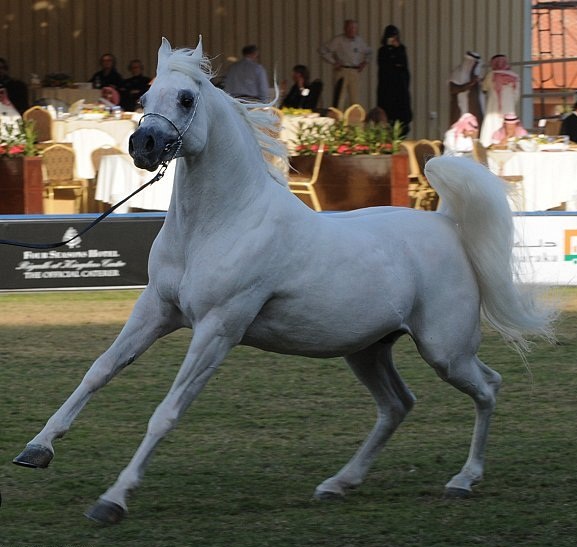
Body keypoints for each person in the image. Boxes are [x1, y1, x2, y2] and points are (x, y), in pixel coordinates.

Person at [319, 19, 372, 111]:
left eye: (354, 28)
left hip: (355, 71)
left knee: (355, 101)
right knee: (339, 99)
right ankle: (337, 122)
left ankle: (354, 123)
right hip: (342, 71)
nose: (352, 30)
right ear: (345, 28)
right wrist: (334, 61)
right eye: (350, 27)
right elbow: (323, 50)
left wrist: (364, 63)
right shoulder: (338, 40)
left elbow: (369, 52)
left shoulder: (359, 41)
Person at [376, 25, 412, 136]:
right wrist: (389, 49)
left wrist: (397, 49)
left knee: (402, 115)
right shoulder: (382, 51)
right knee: (387, 114)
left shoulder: (401, 49)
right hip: (387, 88)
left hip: (400, 87)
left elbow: (402, 65)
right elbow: (384, 65)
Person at [480, 54, 521, 146]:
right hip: (509, 107)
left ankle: (488, 145)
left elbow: (484, 88)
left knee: (491, 125)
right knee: (509, 126)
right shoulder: (515, 76)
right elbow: (516, 95)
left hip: (493, 106)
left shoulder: (491, 75)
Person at [448, 51, 484, 126]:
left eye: (476, 64)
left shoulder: (477, 75)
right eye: (472, 63)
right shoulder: (457, 73)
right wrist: (470, 83)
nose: (474, 66)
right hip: (461, 105)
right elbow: (453, 89)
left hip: (476, 107)